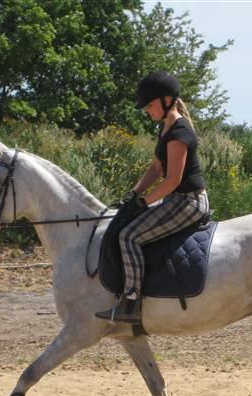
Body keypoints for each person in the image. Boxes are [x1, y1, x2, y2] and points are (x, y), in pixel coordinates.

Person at [96, 71, 210, 323]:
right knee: (124, 222)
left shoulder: (180, 132)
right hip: (175, 199)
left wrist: (144, 202)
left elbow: (172, 181)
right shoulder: (165, 128)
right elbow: (157, 168)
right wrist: (134, 193)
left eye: (149, 105)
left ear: (166, 100)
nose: (147, 110)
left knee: (129, 236)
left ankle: (132, 303)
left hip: (189, 202)